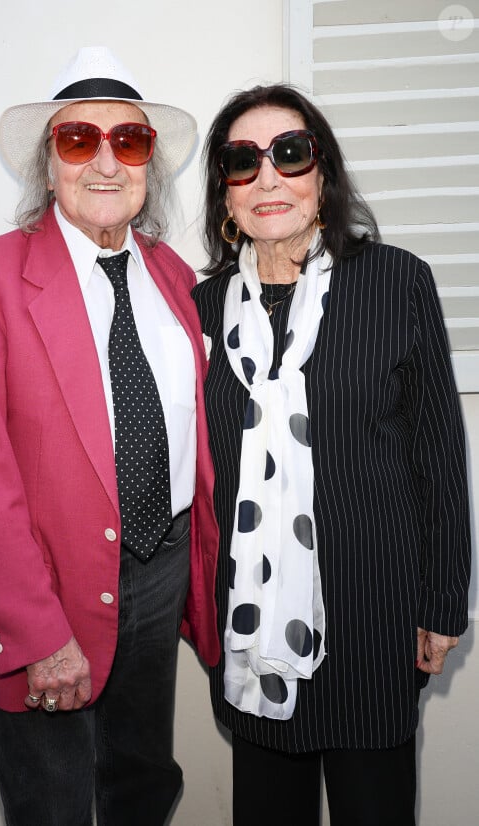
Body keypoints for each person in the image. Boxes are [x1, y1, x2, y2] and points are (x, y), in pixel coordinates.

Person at [0, 46, 219, 826]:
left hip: (158, 575)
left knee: (142, 784)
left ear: (149, 164)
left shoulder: (177, 280)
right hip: (47, 595)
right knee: (53, 805)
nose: (105, 161)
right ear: (47, 162)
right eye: (78, 139)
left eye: (128, 142)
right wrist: (36, 636)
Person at [192, 83, 471, 826]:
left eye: (290, 153)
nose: (270, 177)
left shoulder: (395, 281)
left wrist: (445, 600)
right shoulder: (199, 310)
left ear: (323, 176)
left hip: (374, 620)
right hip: (252, 633)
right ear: (225, 191)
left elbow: (438, 451)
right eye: (243, 161)